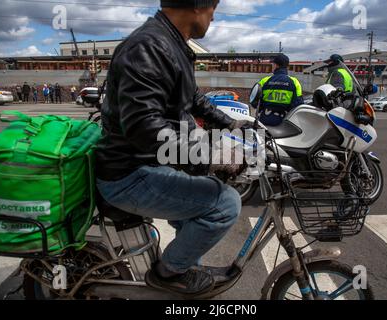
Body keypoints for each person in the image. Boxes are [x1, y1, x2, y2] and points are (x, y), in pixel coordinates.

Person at [95, 0, 249, 296]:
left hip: (145, 164)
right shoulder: (149, 47)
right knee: (226, 203)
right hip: (129, 172)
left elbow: (193, 99)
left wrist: (232, 125)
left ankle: (182, 274)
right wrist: (212, 157)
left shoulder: (170, 44)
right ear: (196, 5)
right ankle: (169, 274)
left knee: (202, 201)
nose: (214, 17)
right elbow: (144, 128)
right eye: (213, 7)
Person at [257, 54, 304, 126]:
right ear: (287, 67)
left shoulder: (264, 81)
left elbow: (254, 102)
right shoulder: (295, 82)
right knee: (281, 137)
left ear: (276, 65)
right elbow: (298, 105)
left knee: (260, 136)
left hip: (264, 121)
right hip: (284, 123)